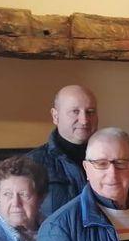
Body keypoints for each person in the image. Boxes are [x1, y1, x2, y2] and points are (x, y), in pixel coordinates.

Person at [28, 84, 99, 217]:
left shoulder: (112, 159)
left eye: (90, 111)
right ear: (55, 116)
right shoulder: (31, 164)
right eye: (75, 112)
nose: (84, 120)